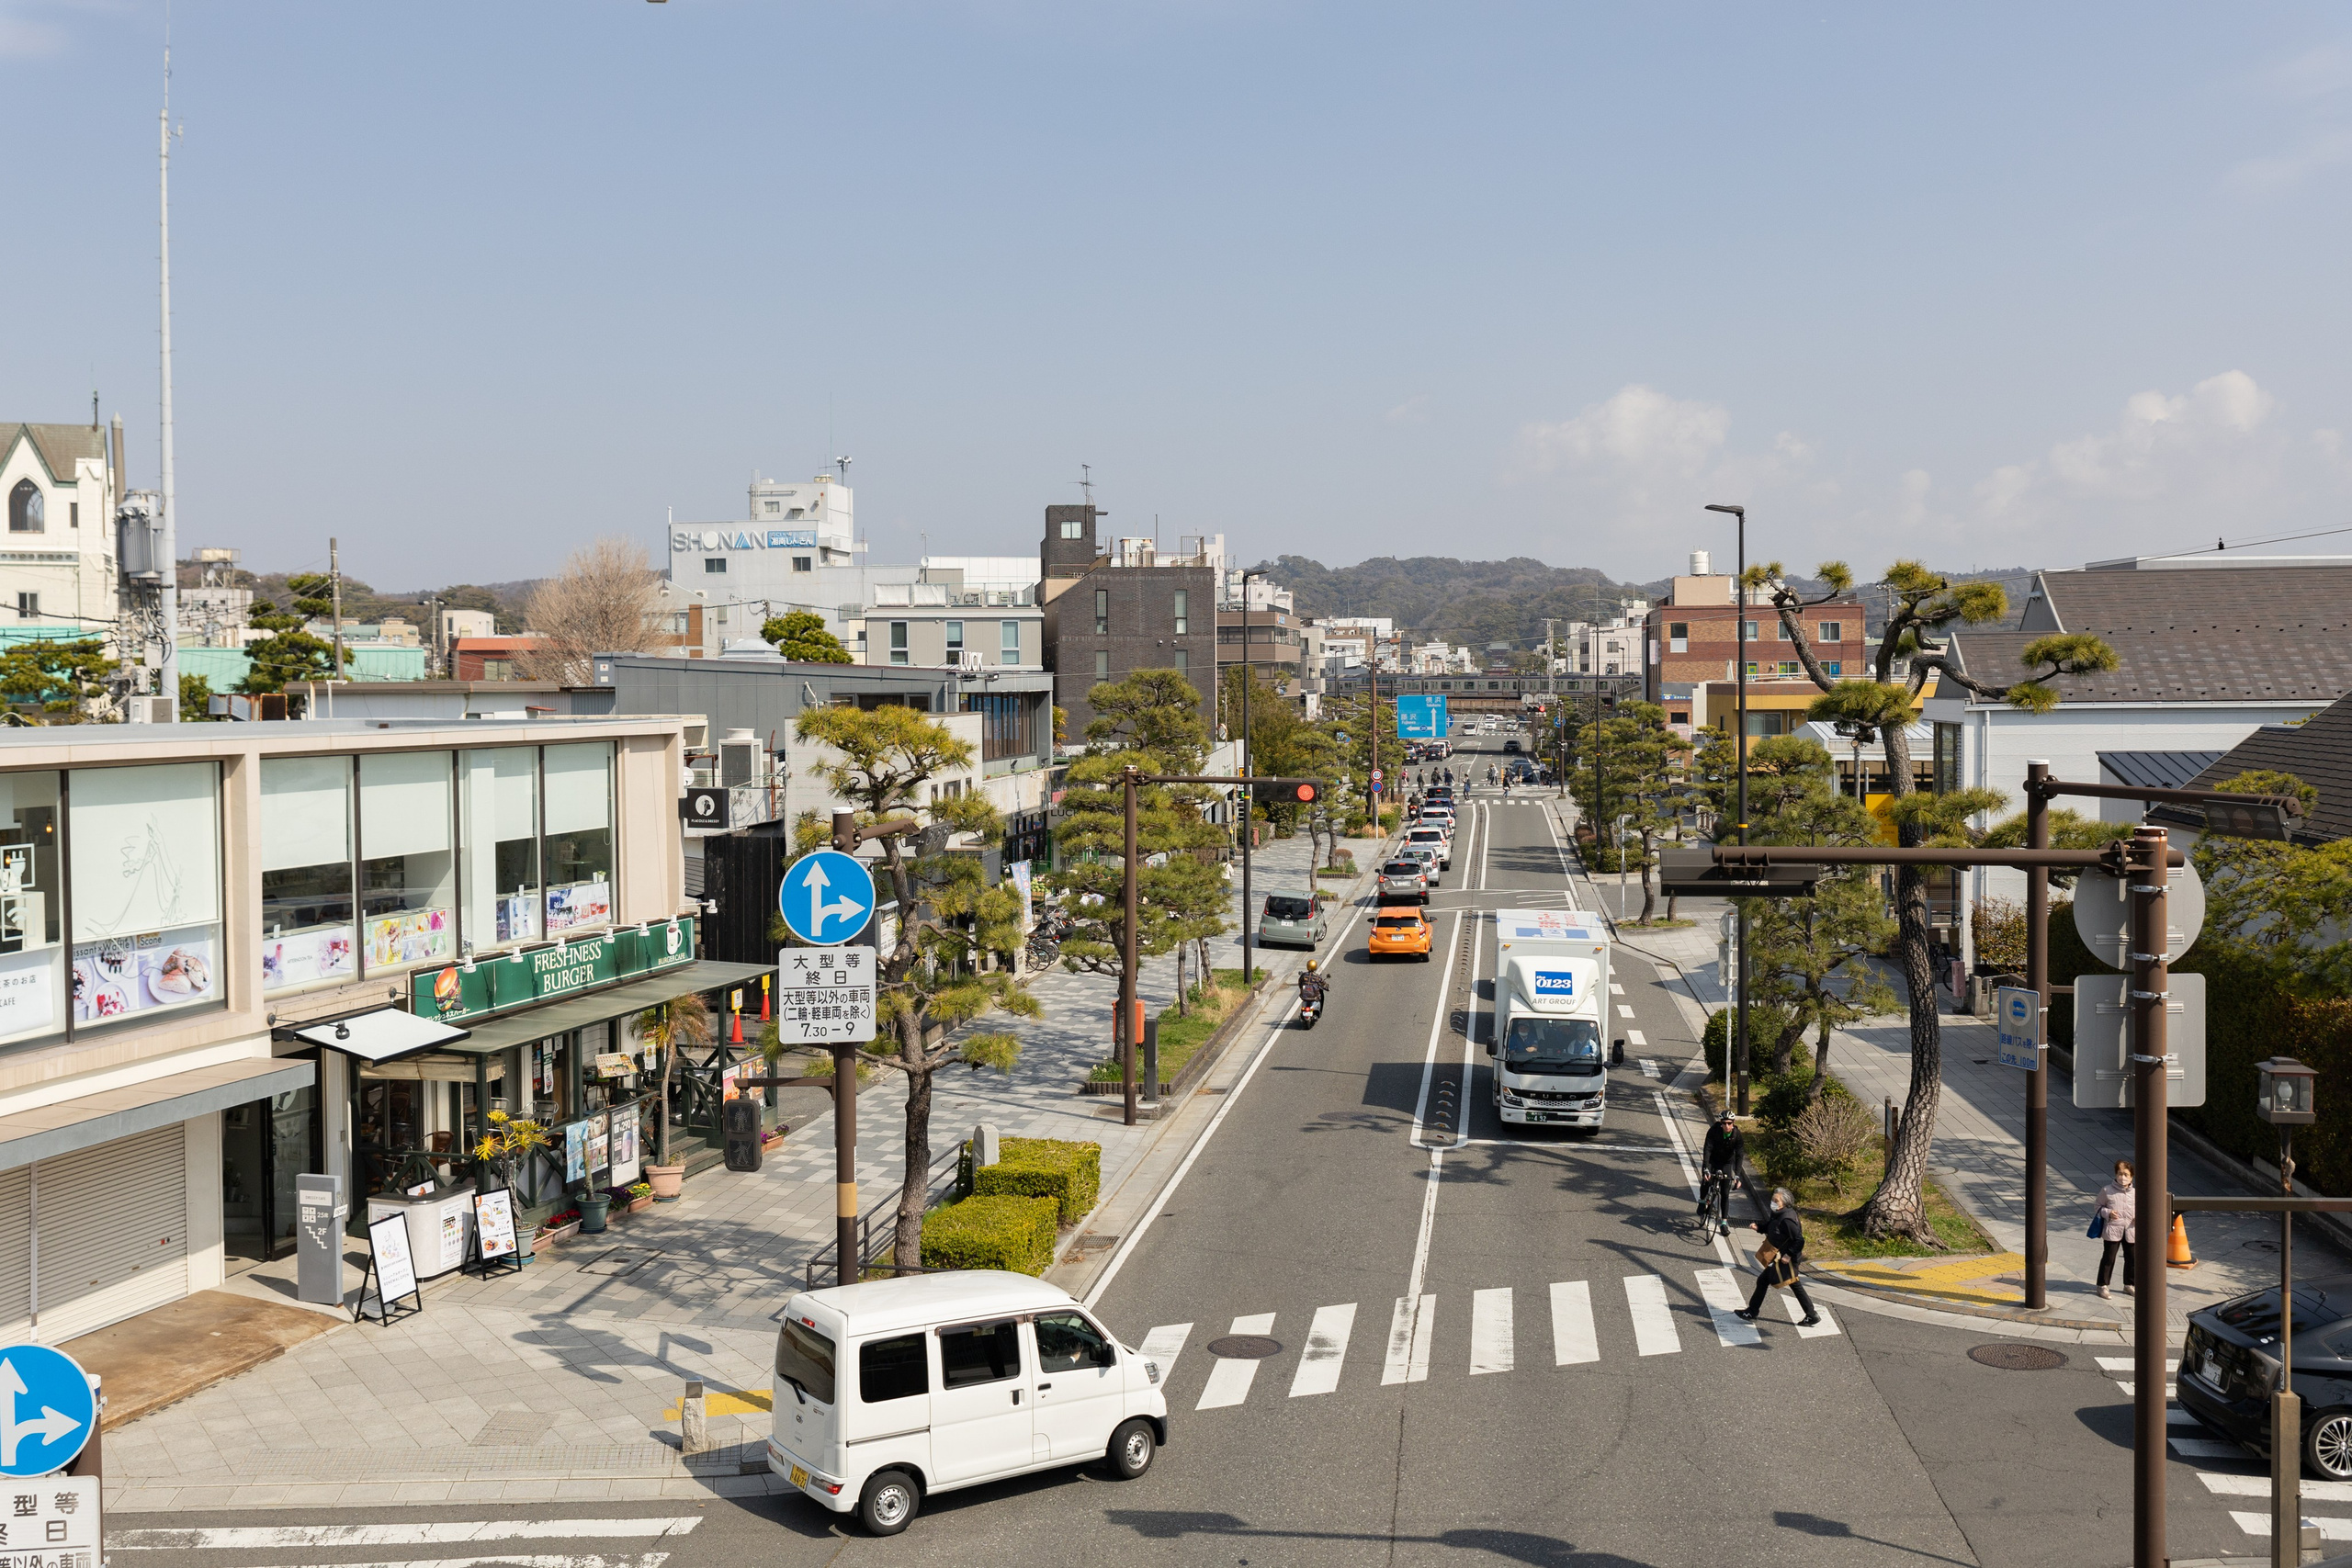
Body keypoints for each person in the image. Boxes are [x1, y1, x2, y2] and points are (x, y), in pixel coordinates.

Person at [1736, 1187, 1823, 1328]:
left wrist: (1788, 1255)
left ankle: (1752, 1312)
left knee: (1770, 1281)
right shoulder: (1778, 1213)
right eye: (1772, 1199)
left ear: (1785, 1203)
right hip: (1780, 1256)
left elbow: (1799, 1241)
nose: (1773, 1202)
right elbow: (1771, 1226)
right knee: (1784, 1282)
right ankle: (1811, 1314)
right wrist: (1759, 1228)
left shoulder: (1787, 1220)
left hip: (1785, 1259)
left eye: (1776, 1201)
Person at [2095, 1158, 2137, 1299]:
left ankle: (2129, 1284)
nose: (2122, 1177)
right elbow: (2097, 1206)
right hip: (2113, 1229)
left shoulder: (2135, 1193)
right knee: (2109, 1258)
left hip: (2131, 1229)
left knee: (2132, 1258)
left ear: (2131, 1176)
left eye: (2126, 1174)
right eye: (2120, 1174)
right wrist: (2108, 1213)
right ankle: (2102, 1285)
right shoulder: (2107, 1190)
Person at [1700, 1113, 1742, 1234]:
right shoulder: (1714, 1131)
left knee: (1725, 1193)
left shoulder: (1737, 1135)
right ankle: (1702, 1200)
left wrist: (1737, 1175)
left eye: (1729, 1123)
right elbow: (1707, 1149)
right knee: (1707, 1181)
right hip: (1712, 1160)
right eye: (1724, 1123)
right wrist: (1706, 1169)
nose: (1727, 1126)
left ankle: (1724, 1223)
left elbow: (1739, 1156)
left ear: (1733, 1123)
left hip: (1726, 1163)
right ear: (1721, 1123)